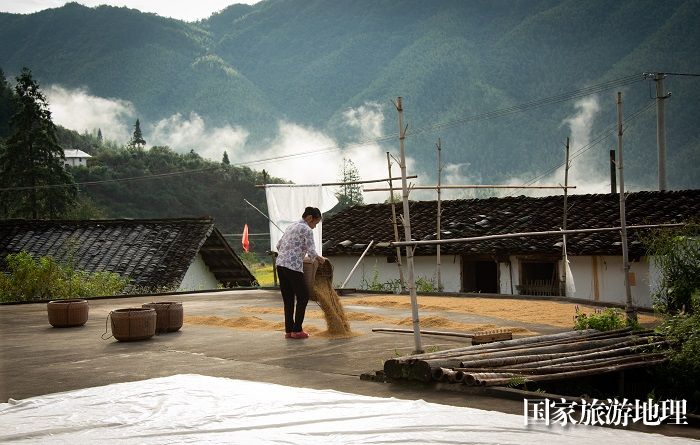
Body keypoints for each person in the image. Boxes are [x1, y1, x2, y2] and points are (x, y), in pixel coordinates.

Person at [275, 206, 326, 339]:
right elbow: (312, 252)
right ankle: (297, 330)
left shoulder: (291, 227)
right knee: (303, 296)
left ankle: (289, 331)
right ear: (309, 218)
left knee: (288, 300)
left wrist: (293, 251)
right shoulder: (306, 229)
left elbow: (278, 245)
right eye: (315, 223)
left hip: (280, 265)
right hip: (293, 267)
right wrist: (321, 260)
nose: (314, 227)